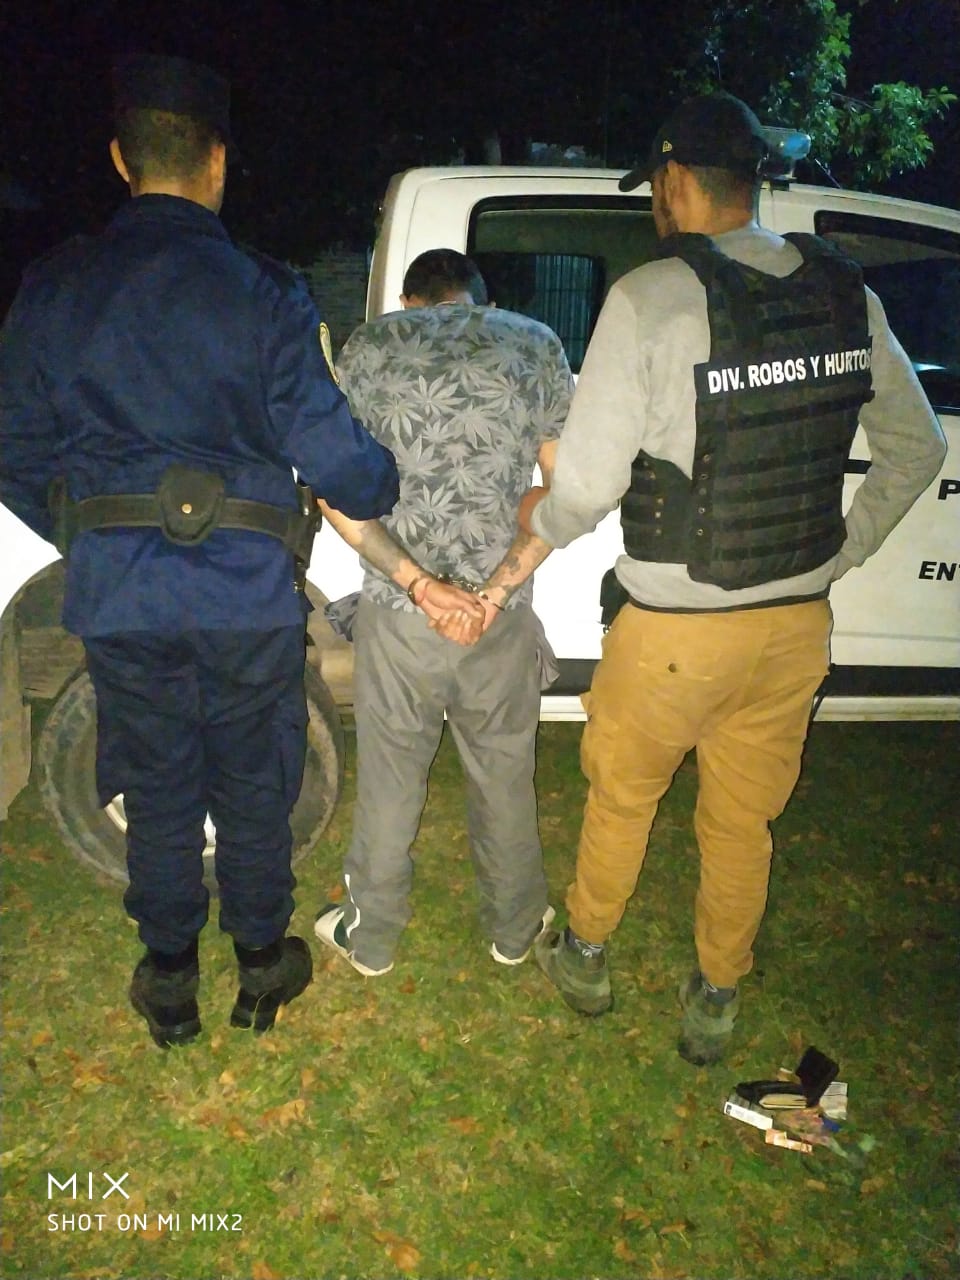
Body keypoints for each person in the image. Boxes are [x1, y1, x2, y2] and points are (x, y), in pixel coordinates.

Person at [0, 54, 478, 1048]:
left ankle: (170, 977)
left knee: (158, 780)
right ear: (217, 160)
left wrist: (90, 532)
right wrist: (378, 483)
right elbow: (334, 457)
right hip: (244, 595)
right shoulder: (266, 292)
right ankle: (261, 963)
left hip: (122, 597)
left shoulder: (54, 289)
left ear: (121, 159)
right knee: (255, 781)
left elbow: (14, 449)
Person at [520, 93, 947, 1064]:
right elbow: (916, 447)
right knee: (743, 818)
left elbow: (585, 486)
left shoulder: (651, 297)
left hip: (676, 631)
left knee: (623, 796)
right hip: (793, 626)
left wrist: (539, 523)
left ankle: (585, 951)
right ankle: (716, 993)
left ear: (673, 182)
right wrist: (841, 552)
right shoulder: (845, 295)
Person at [313, 249, 574, 976]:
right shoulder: (535, 345)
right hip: (499, 617)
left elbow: (333, 491)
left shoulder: (368, 350)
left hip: (400, 611)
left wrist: (420, 585)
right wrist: (491, 595)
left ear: (409, 299)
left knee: (391, 777)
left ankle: (371, 936)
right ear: (478, 299)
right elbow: (566, 494)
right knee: (504, 774)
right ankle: (515, 929)